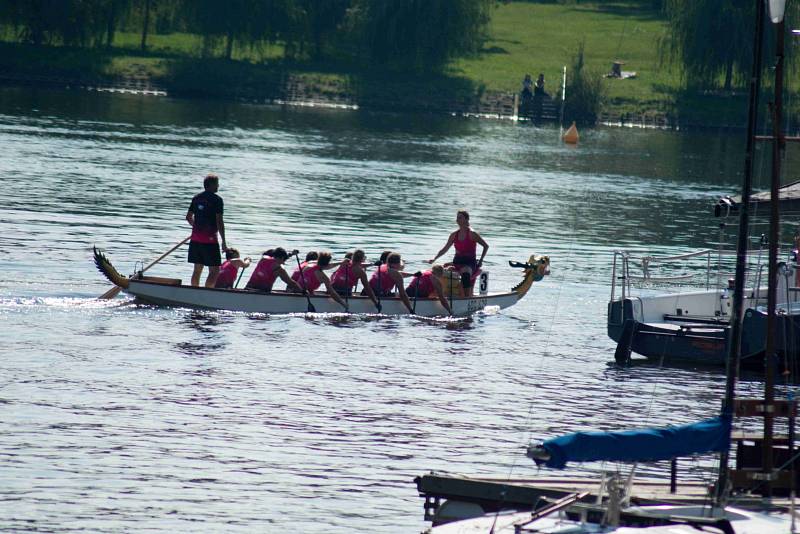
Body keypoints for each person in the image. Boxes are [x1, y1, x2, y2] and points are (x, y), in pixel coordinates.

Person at [427, 210, 489, 297]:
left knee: (466, 273)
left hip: (469, 263)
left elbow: (486, 246)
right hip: (457, 262)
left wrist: (481, 260)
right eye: (457, 218)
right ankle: (438, 294)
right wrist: (434, 258)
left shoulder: (472, 234)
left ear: (467, 219)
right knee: (437, 271)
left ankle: (467, 297)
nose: (457, 220)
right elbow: (445, 249)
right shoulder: (454, 235)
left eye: (460, 217)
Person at [186, 173, 227, 287]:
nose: (218, 186)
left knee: (197, 269)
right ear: (211, 185)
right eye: (217, 184)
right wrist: (224, 241)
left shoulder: (196, 198)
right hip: (210, 241)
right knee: (214, 271)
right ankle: (207, 293)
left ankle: (194, 292)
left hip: (195, 240)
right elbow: (219, 221)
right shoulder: (217, 200)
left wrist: (196, 228)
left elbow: (188, 217)